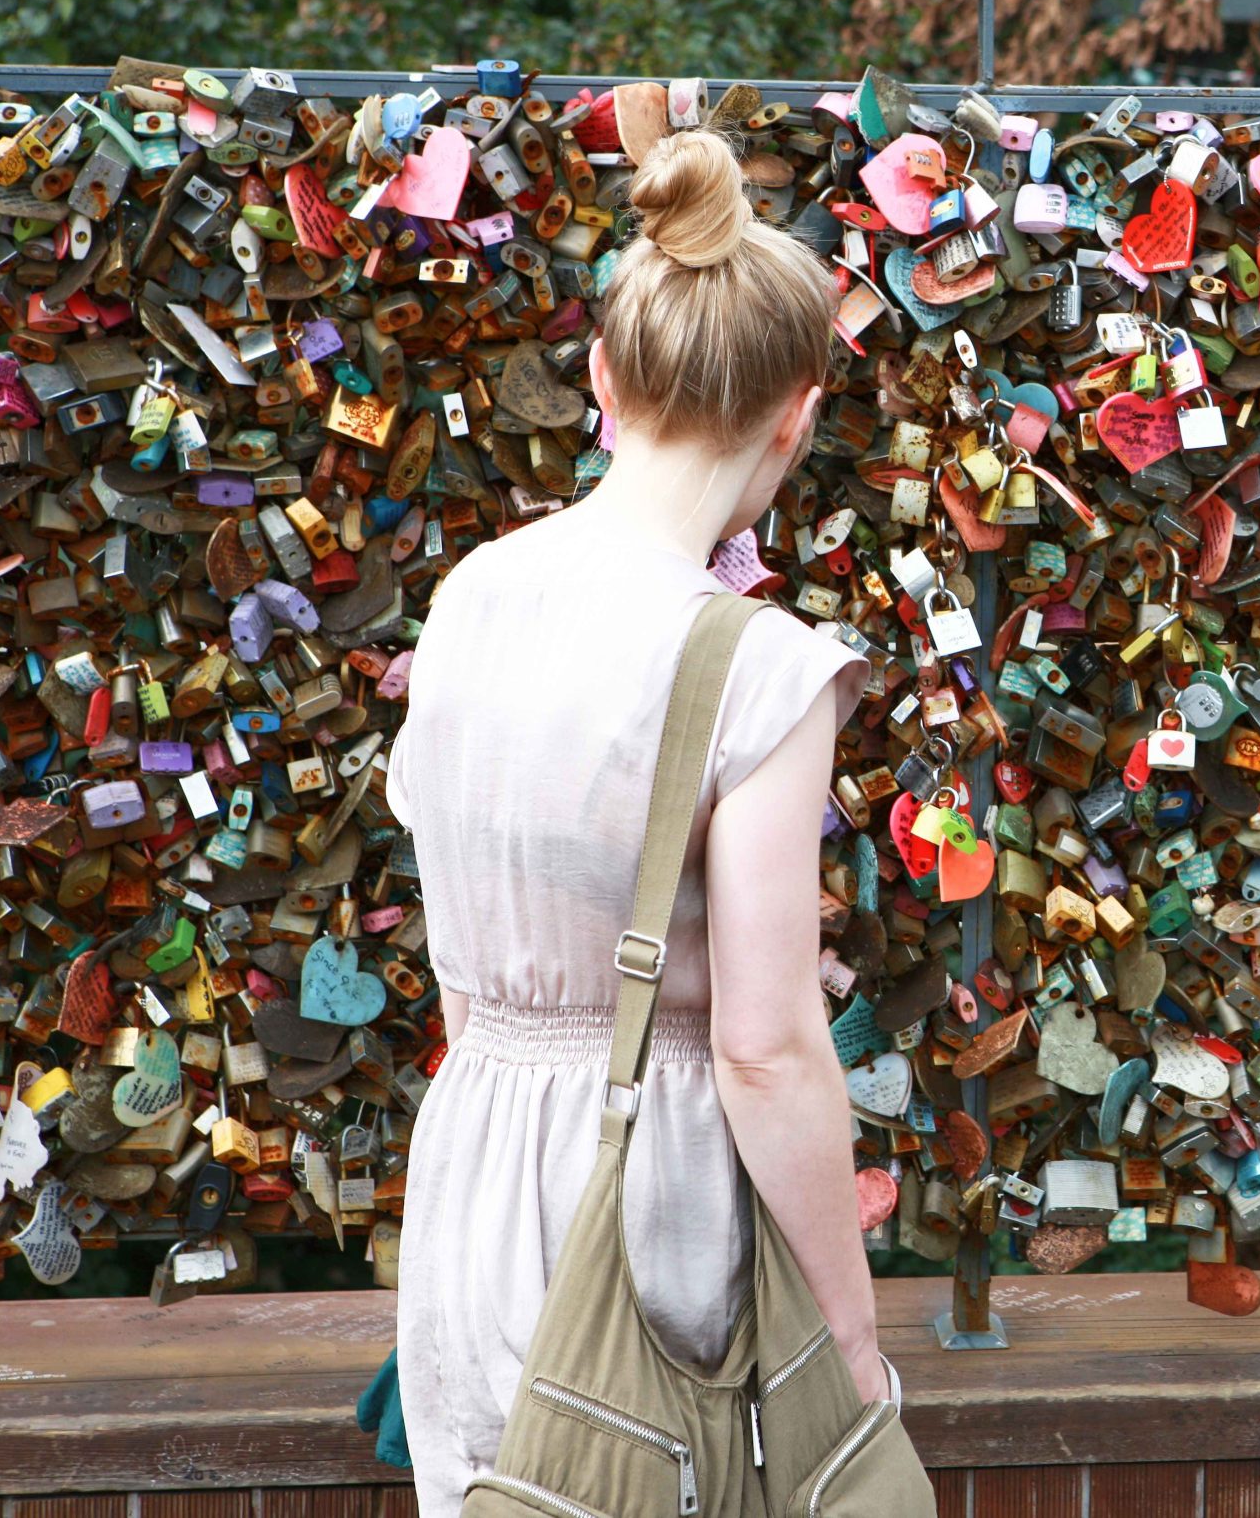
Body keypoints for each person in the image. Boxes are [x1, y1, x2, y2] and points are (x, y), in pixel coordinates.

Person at [386, 126, 886, 1517]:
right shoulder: (760, 669)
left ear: (602, 380)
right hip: (650, 1189)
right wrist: (849, 1340)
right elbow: (769, 1050)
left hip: (474, 1165)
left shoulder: (471, 597)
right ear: (796, 410)